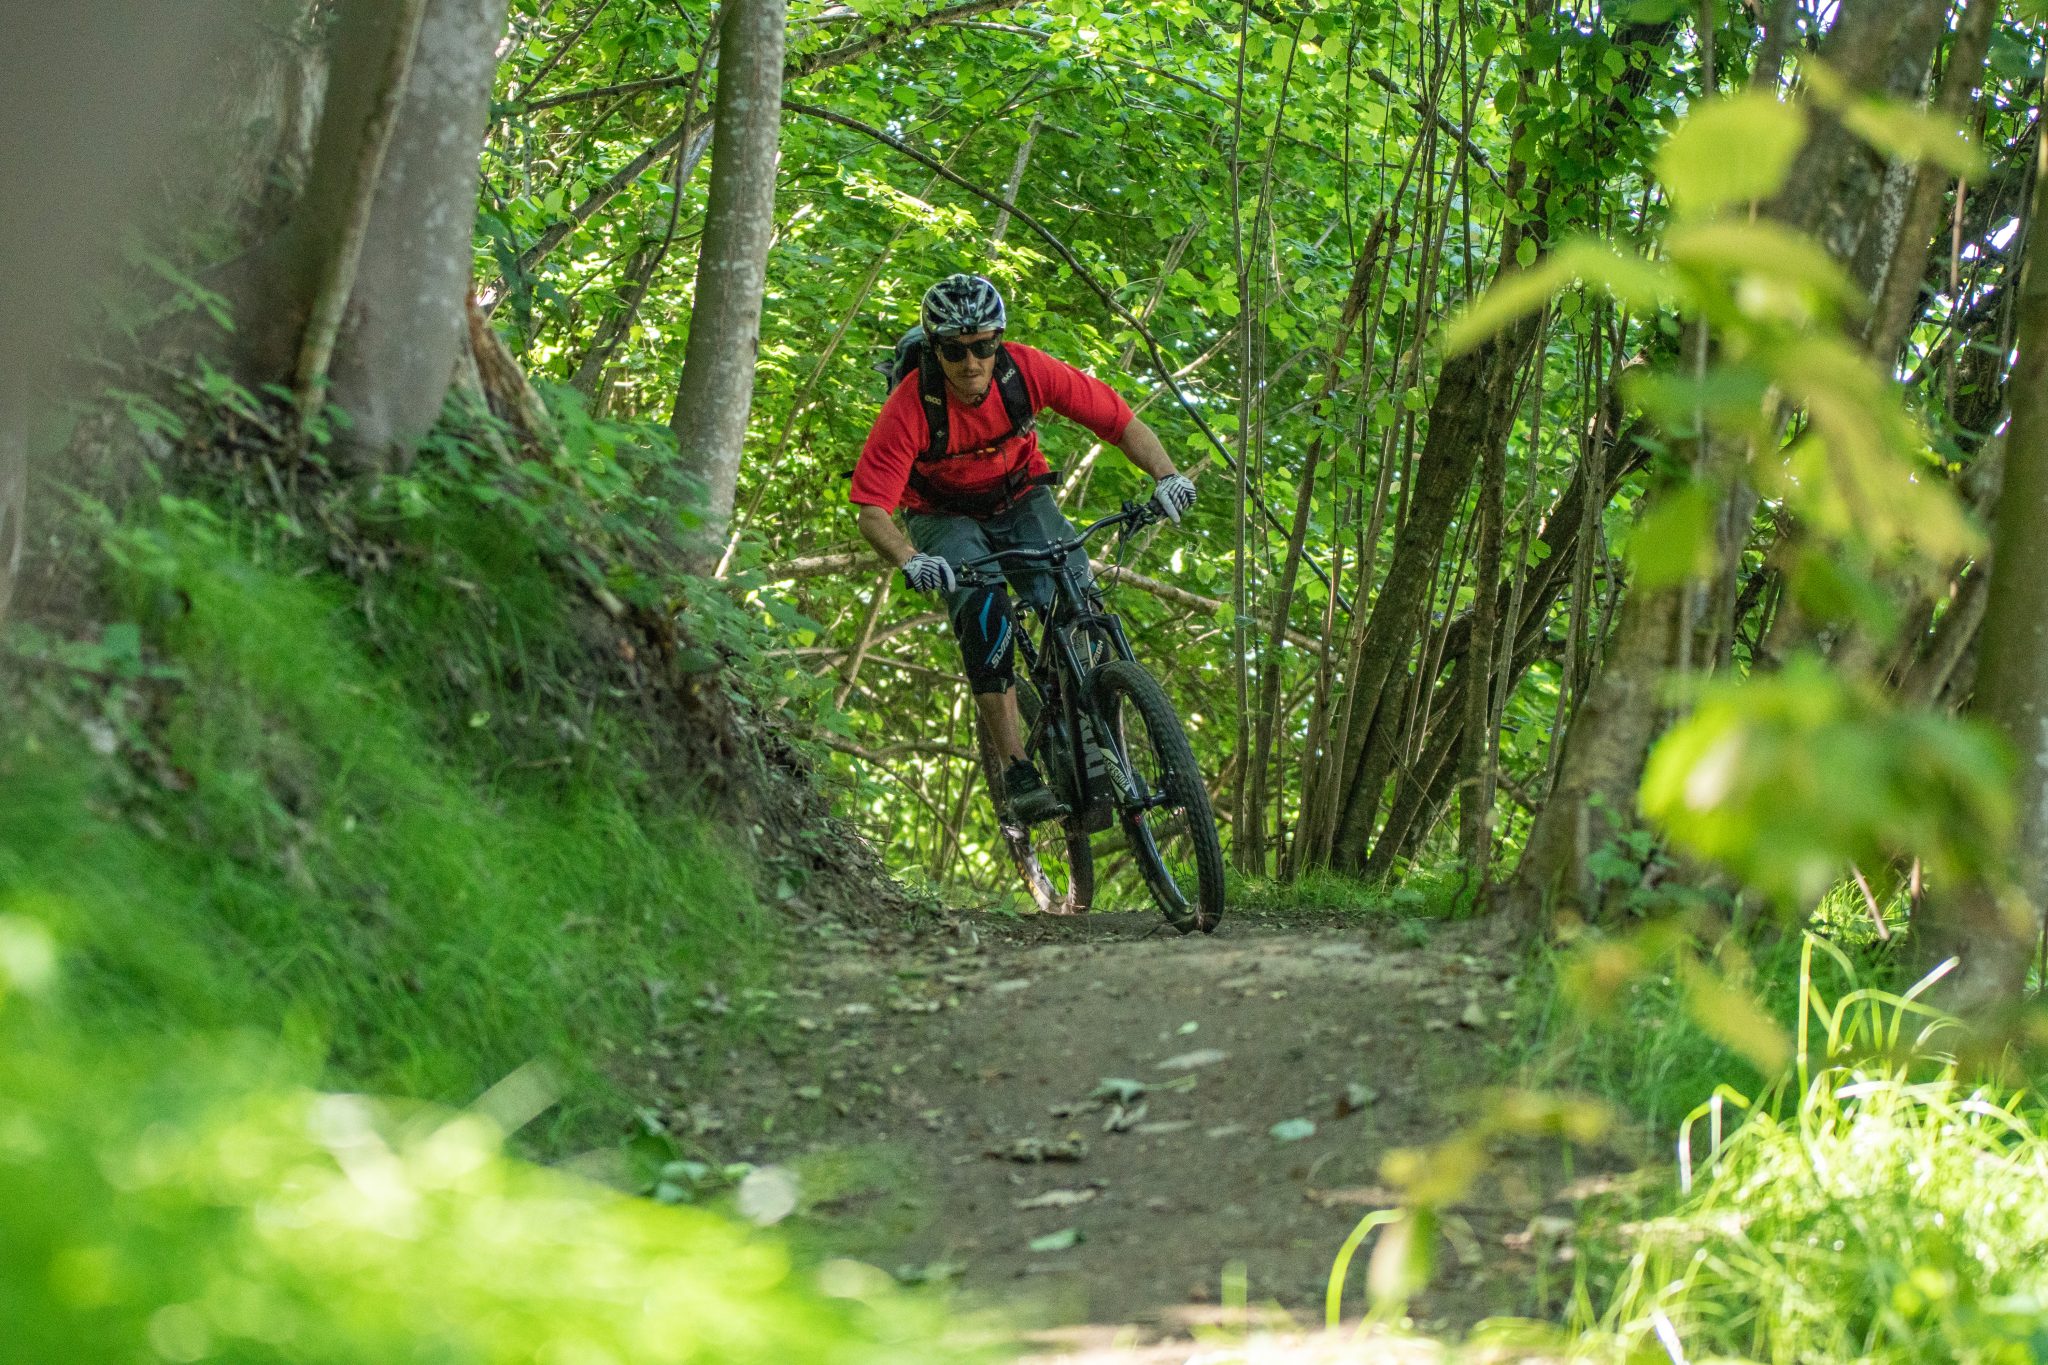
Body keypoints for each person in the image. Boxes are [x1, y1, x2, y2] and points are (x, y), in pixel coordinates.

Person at [849, 273, 1196, 824]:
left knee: (1076, 590)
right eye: (955, 350)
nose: (971, 363)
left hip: (1020, 495)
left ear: (999, 341)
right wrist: (910, 560)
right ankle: (1017, 768)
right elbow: (873, 511)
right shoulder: (910, 407)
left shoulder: (1025, 370)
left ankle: (1099, 714)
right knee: (985, 612)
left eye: (984, 345)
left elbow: (1119, 421)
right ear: (934, 349)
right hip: (943, 515)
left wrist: (1167, 477)